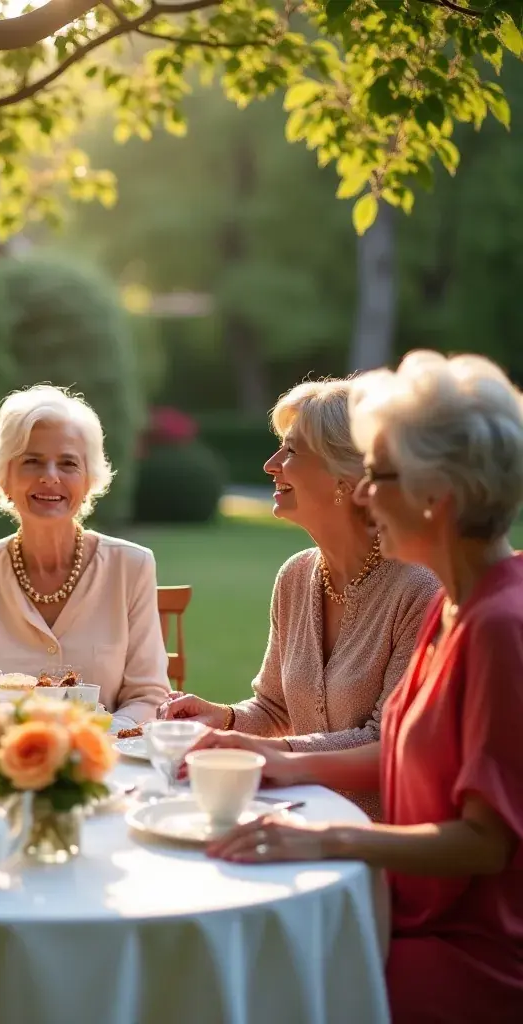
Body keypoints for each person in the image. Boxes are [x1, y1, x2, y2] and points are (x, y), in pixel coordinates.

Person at [195, 352, 523, 1023]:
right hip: (399, 900)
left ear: (439, 495)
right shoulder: (454, 605)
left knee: (259, 986)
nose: (367, 496)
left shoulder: (499, 624)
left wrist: (328, 840)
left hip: (466, 945)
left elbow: (484, 844)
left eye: (379, 476)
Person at [159, 378, 438, 815]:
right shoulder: (297, 575)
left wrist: (274, 751)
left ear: (346, 475)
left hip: (383, 837)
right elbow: (274, 707)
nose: (271, 465)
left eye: (290, 451)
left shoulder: (420, 590)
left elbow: (386, 740)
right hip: (304, 812)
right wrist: (223, 717)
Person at [0, 385, 170, 731]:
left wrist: (100, 737)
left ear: (89, 481)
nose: (50, 476)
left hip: (101, 768)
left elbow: (150, 695)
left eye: (68, 463)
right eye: (31, 461)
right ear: (4, 478)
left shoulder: (132, 566)